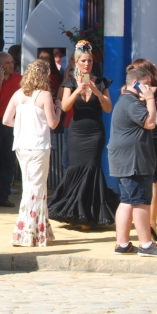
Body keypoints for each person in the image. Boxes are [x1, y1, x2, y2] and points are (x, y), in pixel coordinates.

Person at [48, 40, 120, 228]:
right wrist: (77, 90)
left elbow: (108, 107)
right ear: (77, 62)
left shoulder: (101, 82)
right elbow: (64, 106)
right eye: (83, 61)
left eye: (89, 61)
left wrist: (95, 90)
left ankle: (90, 213)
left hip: (95, 131)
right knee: (76, 168)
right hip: (77, 131)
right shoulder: (70, 83)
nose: (87, 64)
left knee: (92, 167)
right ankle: (74, 211)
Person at [108, 67, 157, 256]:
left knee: (127, 201)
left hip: (126, 159)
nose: (150, 87)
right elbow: (150, 123)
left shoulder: (127, 100)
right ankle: (146, 244)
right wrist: (151, 100)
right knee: (141, 202)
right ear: (136, 83)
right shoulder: (132, 103)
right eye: (147, 84)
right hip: (133, 160)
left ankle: (122, 243)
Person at [2, 60, 59, 247]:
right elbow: (53, 123)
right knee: (36, 188)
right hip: (39, 146)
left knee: (31, 186)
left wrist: (21, 125)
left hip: (21, 145)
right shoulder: (45, 96)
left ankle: (37, 230)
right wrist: (57, 109)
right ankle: (27, 231)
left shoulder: (18, 95)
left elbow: (6, 120)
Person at [126, 58, 157, 240]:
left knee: (135, 184)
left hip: (135, 138)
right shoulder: (152, 91)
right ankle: (151, 226)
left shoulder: (128, 91)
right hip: (151, 136)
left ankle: (140, 226)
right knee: (154, 184)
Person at [0, 51, 21, 209]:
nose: (11, 65)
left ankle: (3, 196)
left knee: (8, 160)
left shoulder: (19, 80)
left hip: (12, 122)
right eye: (7, 63)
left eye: (12, 62)